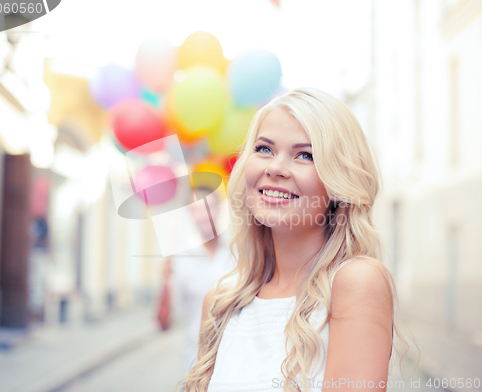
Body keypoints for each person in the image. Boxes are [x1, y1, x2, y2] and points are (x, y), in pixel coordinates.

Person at [175, 87, 413, 392]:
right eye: (264, 149)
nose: (275, 168)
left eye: (305, 155)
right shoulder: (219, 304)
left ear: (339, 182)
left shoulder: (355, 283)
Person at [162, 185, 236, 377]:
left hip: (236, 357)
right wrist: (165, 280)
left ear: (219, 208)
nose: (204, 215)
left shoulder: (239, 253)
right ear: (190, 214)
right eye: (196, 209)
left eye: (209, 207)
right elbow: (164, 323)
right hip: (196, 362)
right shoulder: (179, 261)